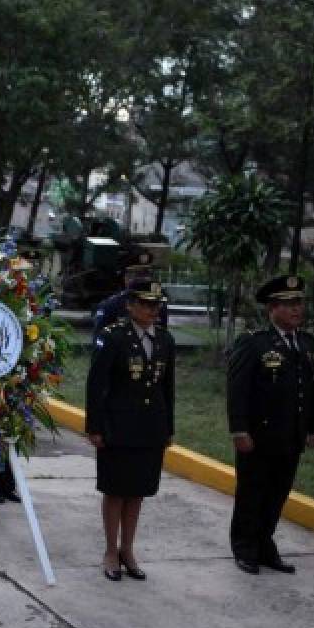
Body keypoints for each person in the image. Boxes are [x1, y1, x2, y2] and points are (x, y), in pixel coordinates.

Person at [227, 274, 314, 575]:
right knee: (252, 492)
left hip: (291, 434)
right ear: (272, 309)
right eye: (288, 304)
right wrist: (239, 430)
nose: (296, 309)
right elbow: (237, 389)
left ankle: (265, 544)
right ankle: (245, 547)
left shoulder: (308, 344)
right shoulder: (254, 343)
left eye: (299, 303)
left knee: (277, 493)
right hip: (259, 435)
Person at [85, 278, 175, 582]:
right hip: (117, 426)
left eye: (156, 305)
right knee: (115, 490)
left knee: (138, 491)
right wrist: (94, 427)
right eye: (146, 304)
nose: (152, 310)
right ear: (130, 305)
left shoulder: (165, 340)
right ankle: (110, 550)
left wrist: (168, 427)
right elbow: (97, 385)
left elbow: (168, 388)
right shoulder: (113, 337)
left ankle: (128, 550)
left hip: (151, 427)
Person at [92, 247, 169, 339]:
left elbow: (162, 337)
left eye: (146, 274)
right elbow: (101, 341)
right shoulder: (111, 306)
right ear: (125, 278)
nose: (145, 279)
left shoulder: (160, 305)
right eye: (137, 275)